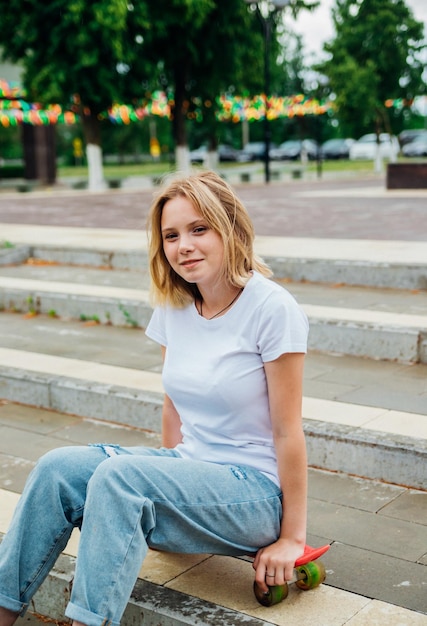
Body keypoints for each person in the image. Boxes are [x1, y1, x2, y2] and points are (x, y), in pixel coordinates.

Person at [0, 170, 309, 626]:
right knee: (57, 468)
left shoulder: (272, 308)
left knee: (122, 476)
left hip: (255, 494)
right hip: (193, 472)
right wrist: (165, 485)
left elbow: (288, 429)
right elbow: (173, 405)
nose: (183, 245)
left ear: (230, 228)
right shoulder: (174, 305)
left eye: (198, 229)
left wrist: (292, 539)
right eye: (171, 235)